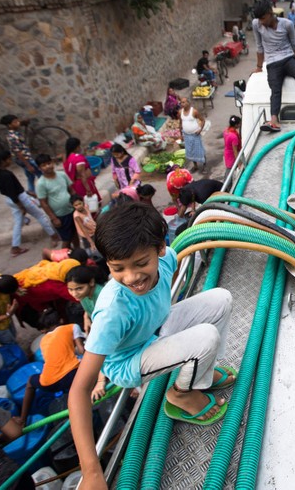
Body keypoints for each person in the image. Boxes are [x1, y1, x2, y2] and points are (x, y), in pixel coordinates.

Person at [68, 203, 236, 487]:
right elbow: (79, 391)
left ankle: (201, 374)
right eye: (118, 268)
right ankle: (181, 394)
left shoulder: (169, 258)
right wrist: (92, 471)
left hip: (153, 333)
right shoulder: (112, 311)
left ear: (159, 248)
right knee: (206, 336)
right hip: (128, 363)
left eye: (140, 263)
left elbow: (163, 300)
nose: (132, 277)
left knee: (221, 298)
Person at [251, 0, 295, 133]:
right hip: (272, 63)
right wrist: (259, 66)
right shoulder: (256, 24)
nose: (261, 22)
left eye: (263, 18)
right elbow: (259, 46)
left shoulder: (287, 24)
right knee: (275, 89)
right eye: (259, 19)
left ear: (269, 13)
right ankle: (274, 120)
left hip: (288, 59)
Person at [18, 309, 85, 426]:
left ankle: (22, 419)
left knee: (30, 382)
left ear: (45, 329)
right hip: (73, 374)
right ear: (61, 320)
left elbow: (54, 360)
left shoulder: (43, 341)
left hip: (49, 382)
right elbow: (81, 350)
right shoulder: (72, 327)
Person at [0, 150, 59, 256]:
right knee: (40, 215)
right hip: (19, 199)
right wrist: (21, 206)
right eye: (8, 159)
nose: (10, 161)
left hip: (11, 199)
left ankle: (15, 246)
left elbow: (9, 191)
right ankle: (54, 236)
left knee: (18, 222)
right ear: (3, 161)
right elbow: (13, 192)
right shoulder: (6, 174)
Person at [35, 153, 77, 249]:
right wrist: (54, 218)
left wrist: (77, 204)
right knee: (66, 240)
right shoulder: (41, 183)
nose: (47, 167)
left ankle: (78, 254)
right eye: (43, 165)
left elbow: (71, 190)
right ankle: (64, 259)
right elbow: (43, 203)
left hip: (72, 210)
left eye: (49, 163)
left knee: (75, 235)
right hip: (60, 216)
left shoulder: (62, 175)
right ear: (40, 168)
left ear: (52, 163)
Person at [0, 114, 40, 195]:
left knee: (30, 177)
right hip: (25, 159)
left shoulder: (14, 132)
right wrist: (28, 165)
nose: (18, 123)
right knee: (41, 173)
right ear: (9, 125)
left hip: (25, 158)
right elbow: (18, 153)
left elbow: (19, 123)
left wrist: (23, 122)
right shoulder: (12, 137)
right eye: (15, 122)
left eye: (18, 121)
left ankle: (31, 191)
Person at [65, 264, 107, 334]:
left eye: (79, 288)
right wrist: (86, 317)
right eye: (70, 289)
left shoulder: (103, 297)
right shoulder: (83, 295)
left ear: (91, 282)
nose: (74, 294)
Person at [63, 137, 101, 205]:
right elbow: (82, 175)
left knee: (85, 203)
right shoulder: (78, 158)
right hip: (84, 184)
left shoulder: (67, 157)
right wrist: (88, 189)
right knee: (91, 203)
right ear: (77, 147)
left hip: (76, 184)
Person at [178, 96, 207, 172]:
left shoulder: (194, 111)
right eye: (181, 102)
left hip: (195, 134)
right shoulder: (180, 112)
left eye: (184, 102)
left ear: (188, 103)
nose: (182, 104)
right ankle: (195, 166)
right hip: (186, 135)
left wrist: (200, 130)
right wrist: (180, 134)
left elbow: (202, 120)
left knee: (200, 150)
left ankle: (204, 165)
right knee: (190, 151)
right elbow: (180, 123)